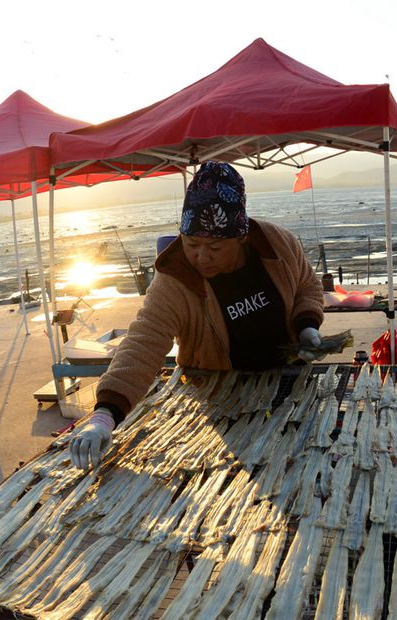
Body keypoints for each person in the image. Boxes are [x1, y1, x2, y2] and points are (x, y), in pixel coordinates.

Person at [69, 161, 325, 470]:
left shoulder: (276, 244)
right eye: (192, 244)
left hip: (289, 381)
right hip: (220, 399)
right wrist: (105, 414)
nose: (201, 257)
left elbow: (307, 285)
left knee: (294, 461)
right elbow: (143, 342)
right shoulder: (176, 278)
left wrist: (307, 325)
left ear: (241, 236)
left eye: (215, 247)